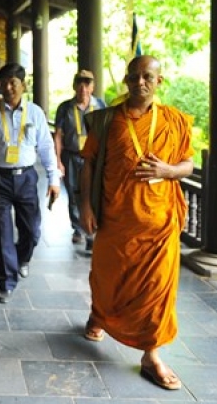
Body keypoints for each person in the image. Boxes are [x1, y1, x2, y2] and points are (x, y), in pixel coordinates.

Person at [79, 55, 193, 391]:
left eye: (147, 77)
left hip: (159, 226)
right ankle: (99, 314)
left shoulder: (174, 121)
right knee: (106, 279)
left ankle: (151, 355)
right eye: (133, 77)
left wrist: (169, 171)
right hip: (116, 221)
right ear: (126, 81)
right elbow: (88, 164)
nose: (139, 82)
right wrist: (85, 204)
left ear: (159, 82)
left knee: (157, 293)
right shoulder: (106, 121)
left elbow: (187, 163)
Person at [0, 63, 60, 303]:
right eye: (4, 83)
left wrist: (54, 178)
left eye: (13, 83)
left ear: (23, 85)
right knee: (0, 232)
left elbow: (46, 147)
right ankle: (7, 280)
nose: (8, 87)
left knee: (32, 230)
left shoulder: (35, 113)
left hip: (26, 177)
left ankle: (21, 258)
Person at [54, 69, 107, 248]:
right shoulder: (65, 108)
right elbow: (59, 135)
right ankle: (78, 227)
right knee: (73, 192)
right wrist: (58, 161)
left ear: (93, 87)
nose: (83, 88)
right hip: (71, 155)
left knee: (93, 191)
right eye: (80, 84)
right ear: (75, 86)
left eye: (87, 84)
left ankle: (92, 227)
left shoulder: (100, 105)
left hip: (93, 158)